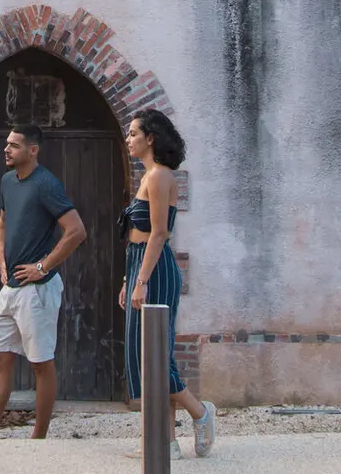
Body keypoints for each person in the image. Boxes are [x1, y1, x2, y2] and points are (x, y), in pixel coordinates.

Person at [0, 123, 88, 440]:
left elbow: (77, 230)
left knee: (41, 364)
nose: (6, 149)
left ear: (32, 150)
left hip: (38, 291)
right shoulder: (7, 181)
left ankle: (38, 440)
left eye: (13, 145)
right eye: (6, 143)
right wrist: (1, 260)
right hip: (9, 289)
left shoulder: (46, 184)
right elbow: (2, 221)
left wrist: (43, 266)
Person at [120, 109, 215, 458]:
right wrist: (129, 278)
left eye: (133, 133)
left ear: (151, 138)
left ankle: (200, 412)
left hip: (156, 270)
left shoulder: (160, 177)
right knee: (150, 354)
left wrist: (142, 280)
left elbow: (159, 233)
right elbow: (137, 235)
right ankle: (165, 442)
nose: (128, 139)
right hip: (142, 266)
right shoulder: (147, 178)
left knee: (153, 355)